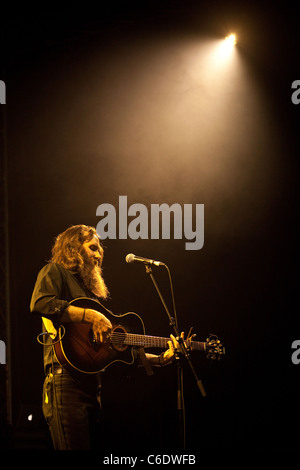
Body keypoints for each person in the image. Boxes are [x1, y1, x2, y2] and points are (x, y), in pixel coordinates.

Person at [30, 224, 180, 450]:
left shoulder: (90, 296)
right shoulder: (55, 271)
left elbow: (116, 354)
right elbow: (40, 303)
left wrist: (158, 359)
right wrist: (89, 315)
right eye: (93, 248)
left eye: (100, 250)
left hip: (93, 388)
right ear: (73, 248)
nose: (99, 254)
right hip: (65, 385)